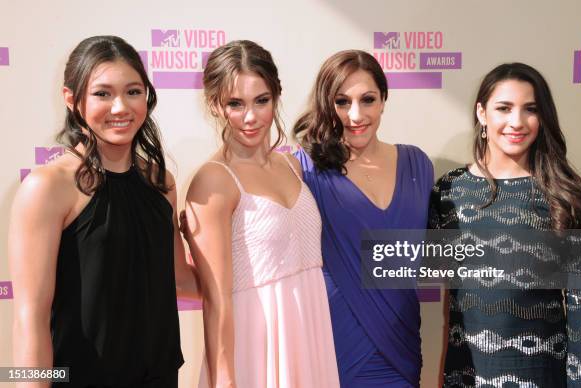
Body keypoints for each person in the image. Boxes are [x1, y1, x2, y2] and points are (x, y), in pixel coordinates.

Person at [8, 35, 198, 388]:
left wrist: (261, 277)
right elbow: (28, 318)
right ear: (71, 99)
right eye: (102, 93)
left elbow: (181, 280)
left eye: (133, 91)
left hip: (159, 376)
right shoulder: (47, 187)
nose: (120, 107)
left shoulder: (162, 182)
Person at [429, 62, 581, 387]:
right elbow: (441, 301)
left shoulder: (565, 197)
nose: (517, 122)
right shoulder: (448, 193)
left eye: (530, 109)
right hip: (466, 378)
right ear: (482, 113)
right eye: (504, 108)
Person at [182, 40, 339, 388]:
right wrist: (224, 379)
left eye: (261, 100)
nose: (250, 117)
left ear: (276, 96)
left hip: (309, 339)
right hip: (254, 348)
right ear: (214, 105)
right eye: (235, 104)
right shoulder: (214, 180)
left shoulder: (291, 165)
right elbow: (216, 297)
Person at [293, 50, 433, 388]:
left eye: (367, 99)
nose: (355, 115)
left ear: (384, 100)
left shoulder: (417, 165)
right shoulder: (305, 168)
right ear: (328, 105)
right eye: (342, 102)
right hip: (334, 341)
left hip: (400, 343)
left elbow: (434, 252)